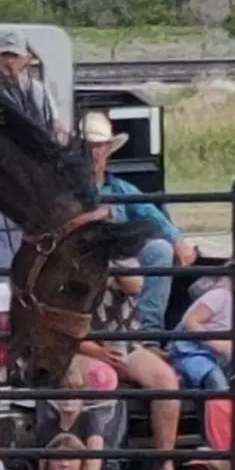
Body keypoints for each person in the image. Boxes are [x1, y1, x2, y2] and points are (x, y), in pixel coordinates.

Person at [77, 258, 186, 470]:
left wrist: (111, 260)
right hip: (78, 344)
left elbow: (136, 285)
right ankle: (105, 467)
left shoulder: (119, 256)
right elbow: (61, 323)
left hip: (122, 339)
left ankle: (164, 461)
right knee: (103, 377)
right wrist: (96, 351)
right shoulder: (68, 258)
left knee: (166, 380)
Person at [83, 111, 198, 331]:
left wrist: (177, 240)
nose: (94, 153)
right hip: (89, 254)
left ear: (108, 150)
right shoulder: (71, 191)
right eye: (88, 147)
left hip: (122, 254)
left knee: (161, 250)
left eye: (99, 146)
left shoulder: (119, 188)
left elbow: (150, 213)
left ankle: (148, 330)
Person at [0, 31, 59, 269]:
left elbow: (54, 127)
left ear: (25, 60)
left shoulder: (37, 91)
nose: (9, 62)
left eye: (14, 56)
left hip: (25, 172)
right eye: (4, 55)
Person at [35, 361, 129, 470]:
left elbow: (94, 468)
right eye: (62, 394)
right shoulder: (47, 427)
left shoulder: (90, 420)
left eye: (74, 394)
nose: (68, 400)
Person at [170, 277, 235, 391]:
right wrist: (216, 343)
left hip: (229, 358)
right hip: (196, 352)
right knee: (216, 380)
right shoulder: (219, 295)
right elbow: (190, 321)